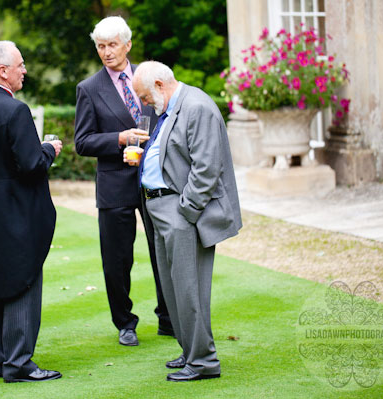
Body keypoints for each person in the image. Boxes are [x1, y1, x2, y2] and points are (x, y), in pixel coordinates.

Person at [125, 61, 242, 381]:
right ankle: (190, 350)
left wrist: (185, 213)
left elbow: (206, 169)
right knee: (174, 289)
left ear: (160, 85)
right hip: (158, 209)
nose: (144, 104)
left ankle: (203, 362)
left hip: (180, 213)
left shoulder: (198, 106)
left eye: (145, 96)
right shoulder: (170, 108)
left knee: (189, 289)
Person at [0, 40, 63, 383]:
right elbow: (32, 165)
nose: (24, 70)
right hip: (18, 211)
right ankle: (19, 364)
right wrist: (49, 148)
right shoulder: (15, 110)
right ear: (3, 71)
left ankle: (2, 359)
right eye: (20, 65)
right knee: (22, 280)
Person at [74, 16, 173, 347]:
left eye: (112, 45)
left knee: (164, 249)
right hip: (114, 185)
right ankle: (125, 323)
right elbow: (82, 142)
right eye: (100, 46)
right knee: (117, 259)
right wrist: (119, 138)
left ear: (127, 45)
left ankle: (169, 317)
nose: (106, 52)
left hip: (154, 179)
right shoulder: (88, 89)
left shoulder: (151, 79)